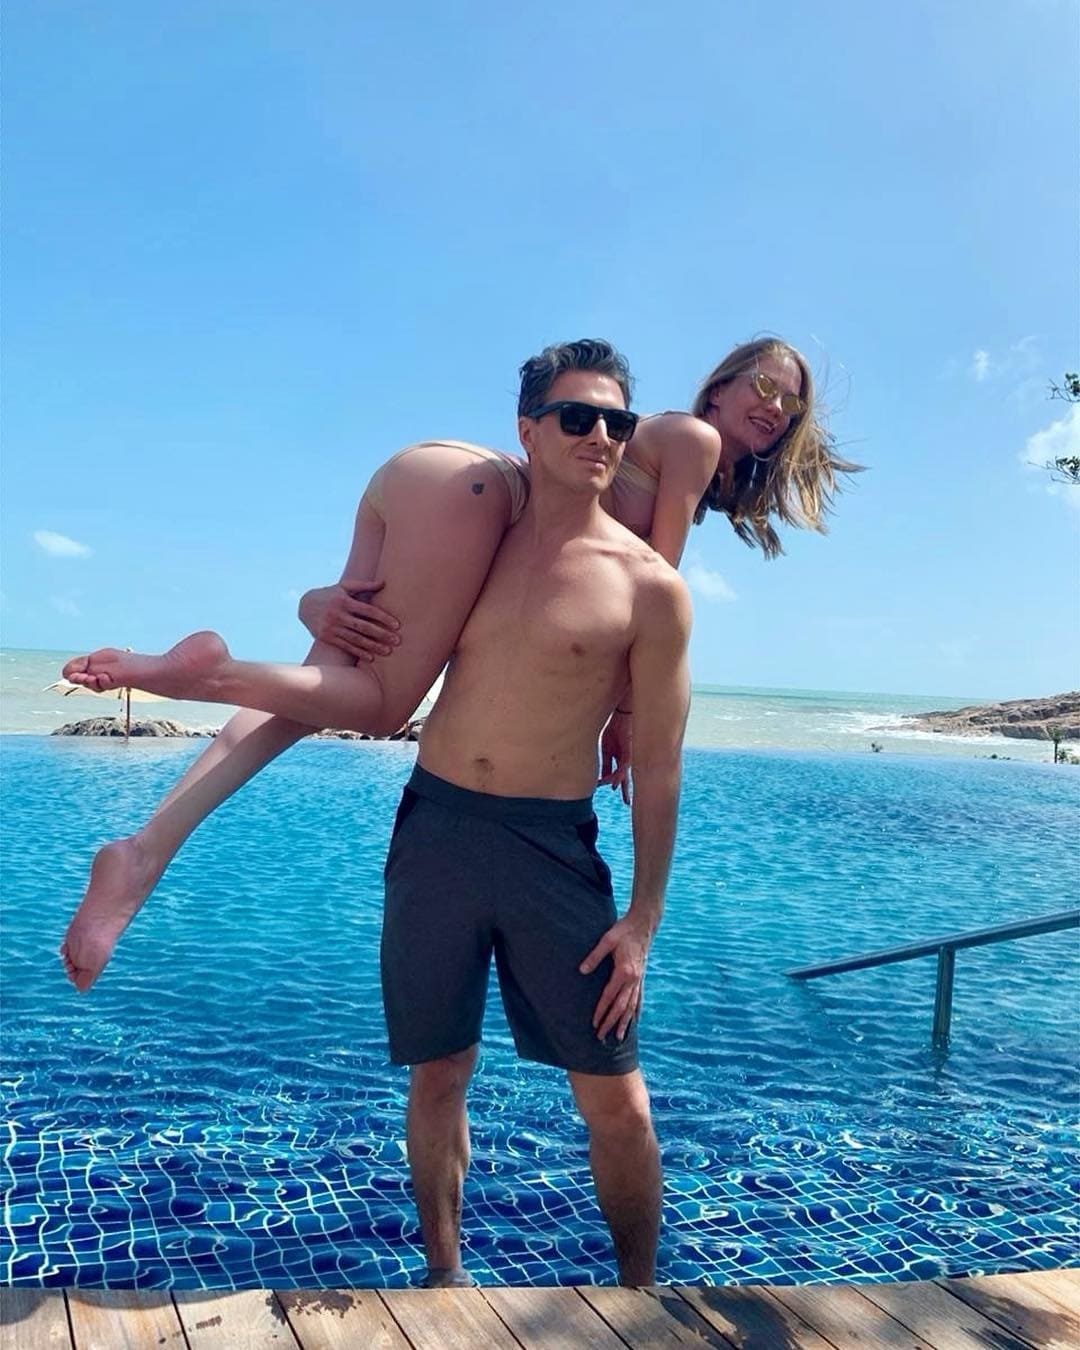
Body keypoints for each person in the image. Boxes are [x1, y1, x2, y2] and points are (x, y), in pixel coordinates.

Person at [59, 337, 850, 992]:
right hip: (480, 494)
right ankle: (209, 674)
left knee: (305, 703)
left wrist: (314, 603)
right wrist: (627, 711)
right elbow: (649, 580)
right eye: (762, 384)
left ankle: (143, 853)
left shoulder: (660, 446)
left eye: (791, 403)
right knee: (381, 705)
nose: (774, 407)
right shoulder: (695, 442)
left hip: (427, 477)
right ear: (719, 387)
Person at [375, 341, 689, 1285]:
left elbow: (659, 767)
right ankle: (445, 1281)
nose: (601, 436)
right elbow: (367, 611)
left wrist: (642, 921)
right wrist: (317, 601)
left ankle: (641, 1297)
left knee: (617, 1101)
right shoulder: (474, 541)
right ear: (528, 430)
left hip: (551, 847)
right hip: (436, 827)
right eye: (577, 417)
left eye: (617, 422)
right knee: (439, 1072)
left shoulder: (648, 586)